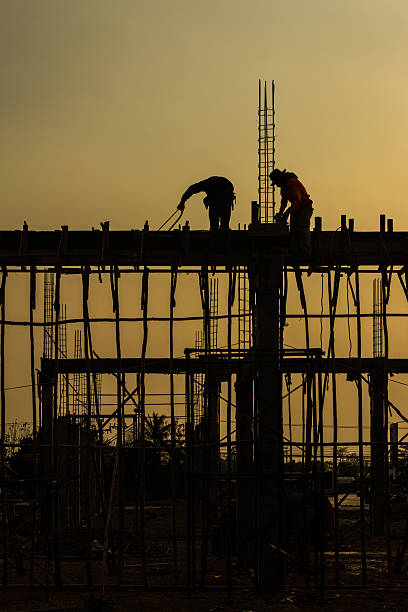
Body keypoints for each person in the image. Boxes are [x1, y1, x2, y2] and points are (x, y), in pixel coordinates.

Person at [270, 168, 313, 257]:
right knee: (293, 229)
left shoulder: (292, 183)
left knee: (302, 228)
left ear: (279, 179)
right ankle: (295, 251)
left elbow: (298, 200)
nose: (277, 185)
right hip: (296, 208)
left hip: (304, 207)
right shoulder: (284, 186)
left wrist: (287, 212)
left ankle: (306, 252)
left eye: (276, 183)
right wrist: (280, 213)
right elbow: (284, 201)